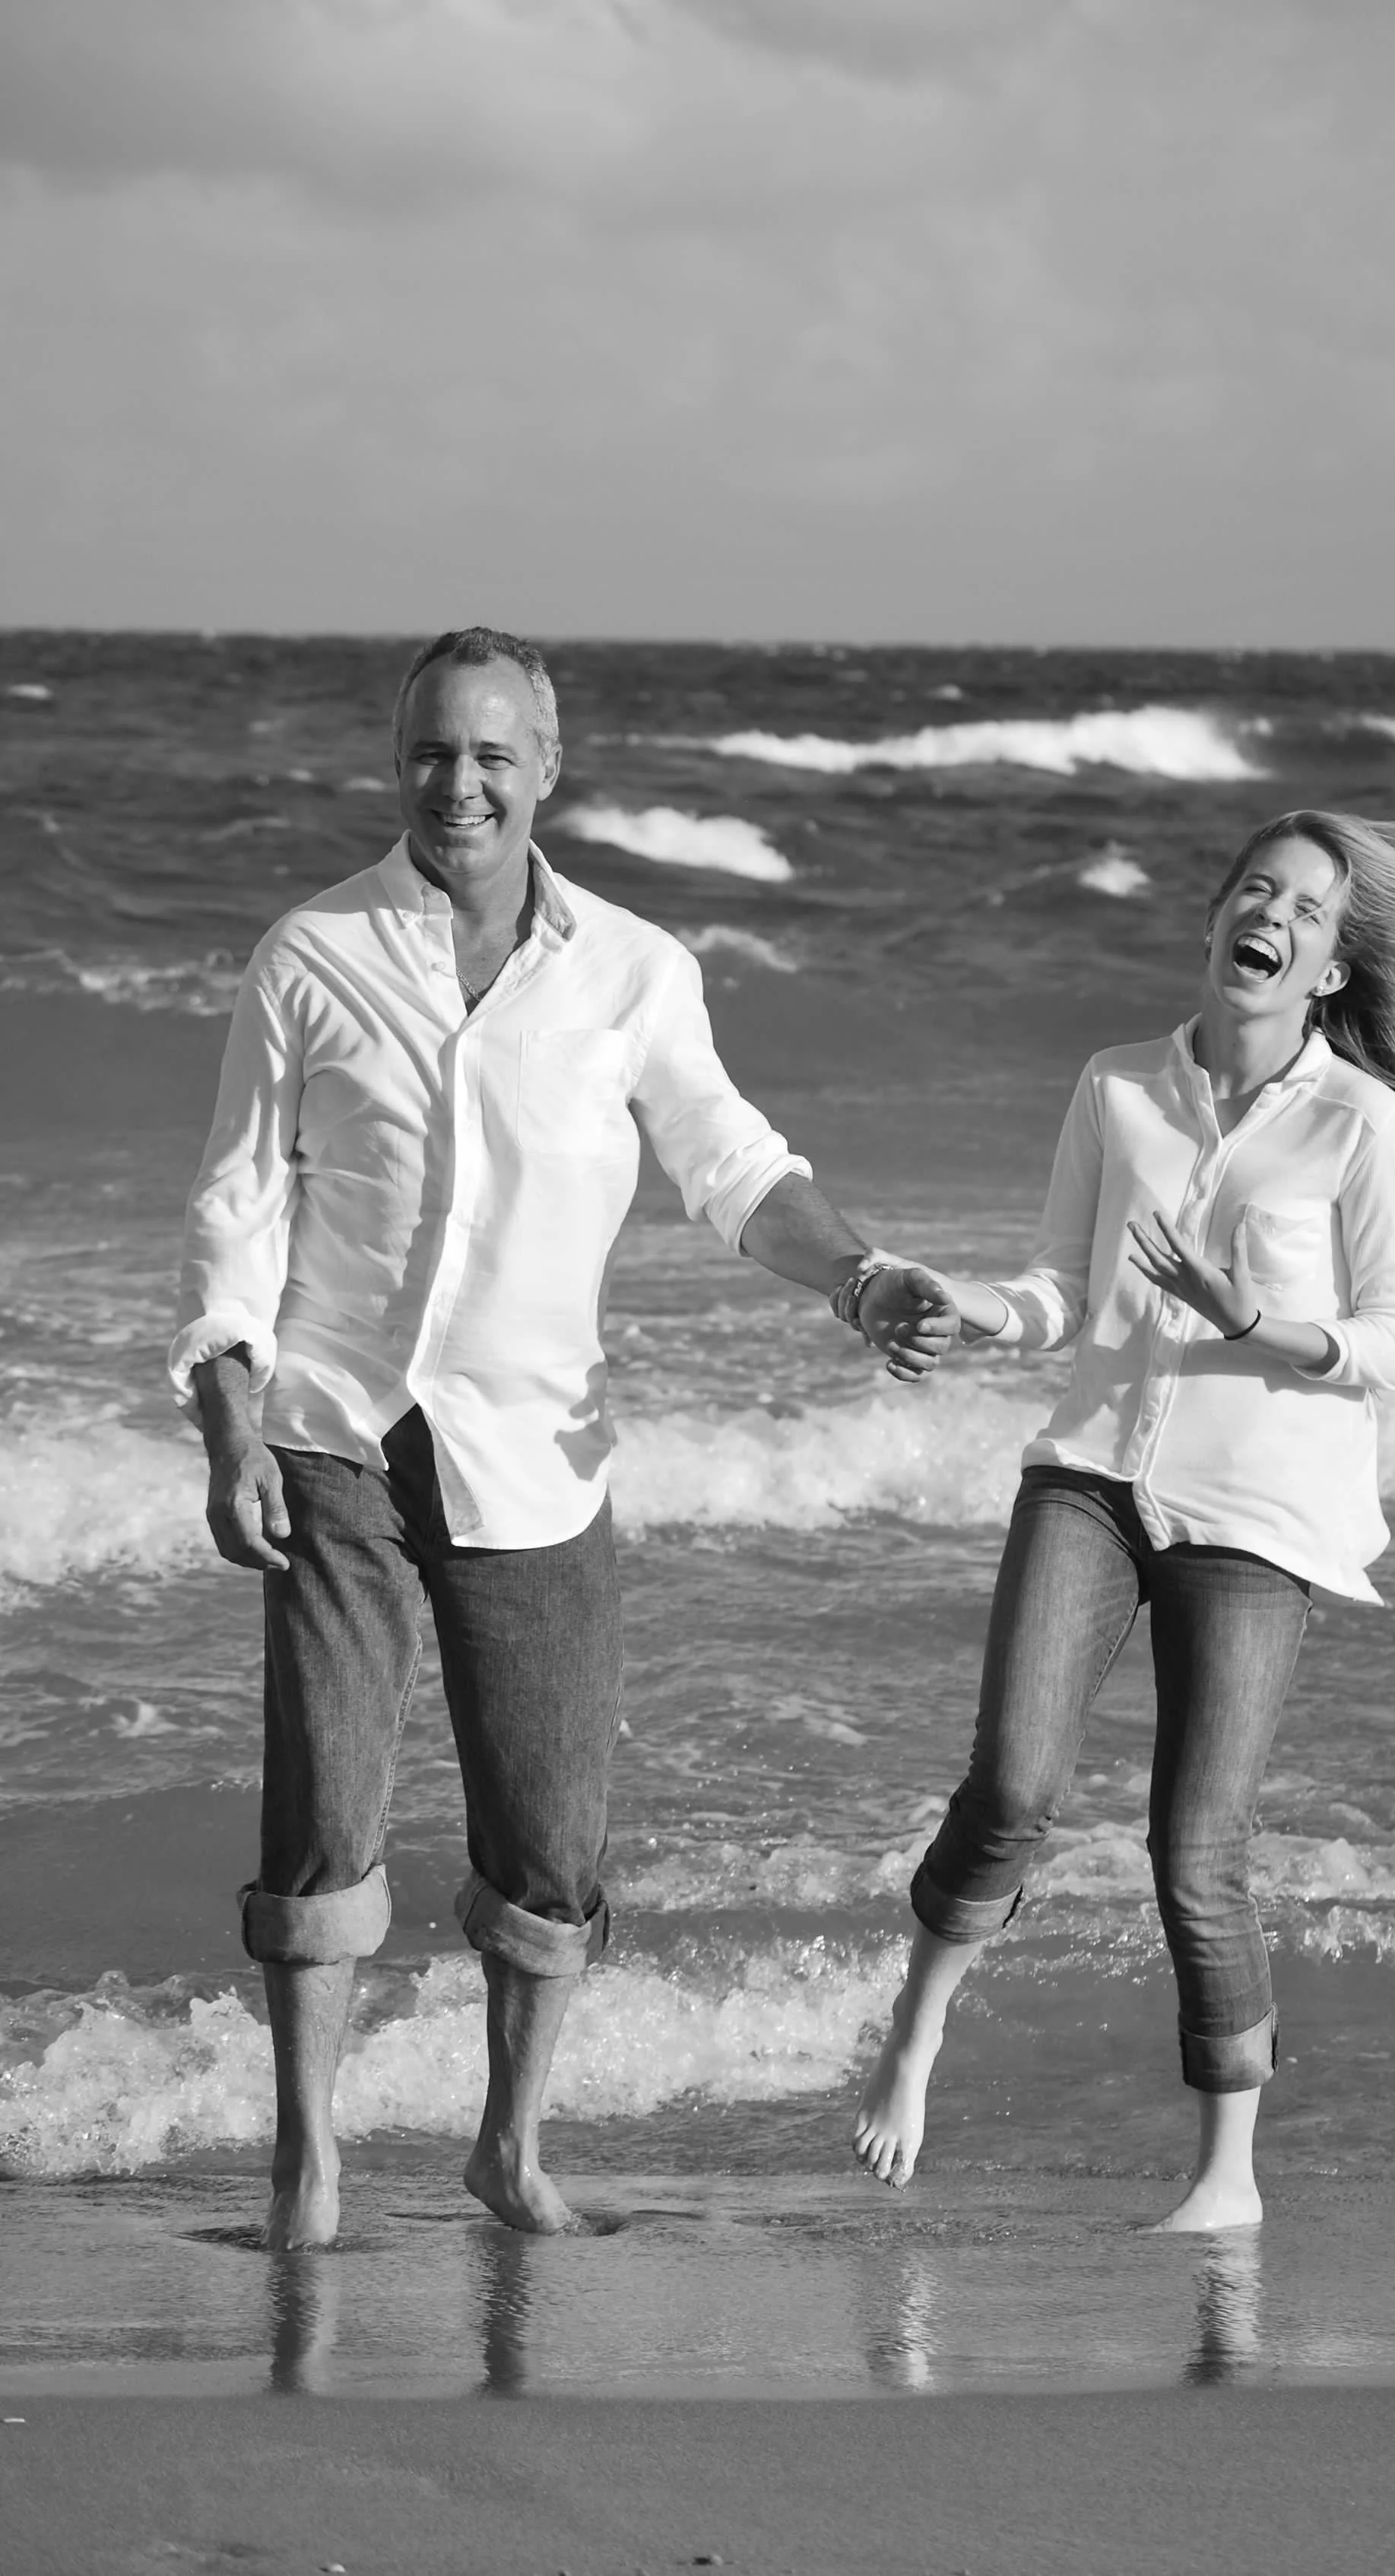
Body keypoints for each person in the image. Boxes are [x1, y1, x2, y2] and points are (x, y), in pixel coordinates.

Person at [173, 625, 940, 2248]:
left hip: (538, 1456)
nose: (461, 783)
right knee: (320, 1821)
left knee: (551, 1838)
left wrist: (861, 1276)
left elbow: (734, 1165)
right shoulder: (310, 949)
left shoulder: (636, 971)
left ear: (548, 765)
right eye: (432, 754)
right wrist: (228, 1413)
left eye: (491, 753)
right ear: (399, 768)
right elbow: (240, 1204)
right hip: (335, 1436)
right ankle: (308, 2165)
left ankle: (507, 2151)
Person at [850, 808, 1395, 2224]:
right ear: (1214, 922)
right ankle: (920, 2029)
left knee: (1196, 1845)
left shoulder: (1361, 1123)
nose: (1270, 916)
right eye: (1253, 891)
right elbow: (1062, 1291)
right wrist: (977, 1307)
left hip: (1262, 1513)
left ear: (1327, 968)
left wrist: (1255, 1323)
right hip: (1089, 1471)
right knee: (1012, 1792)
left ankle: (1227, 2177)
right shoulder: (1116, 1087)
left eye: (1307, 911)